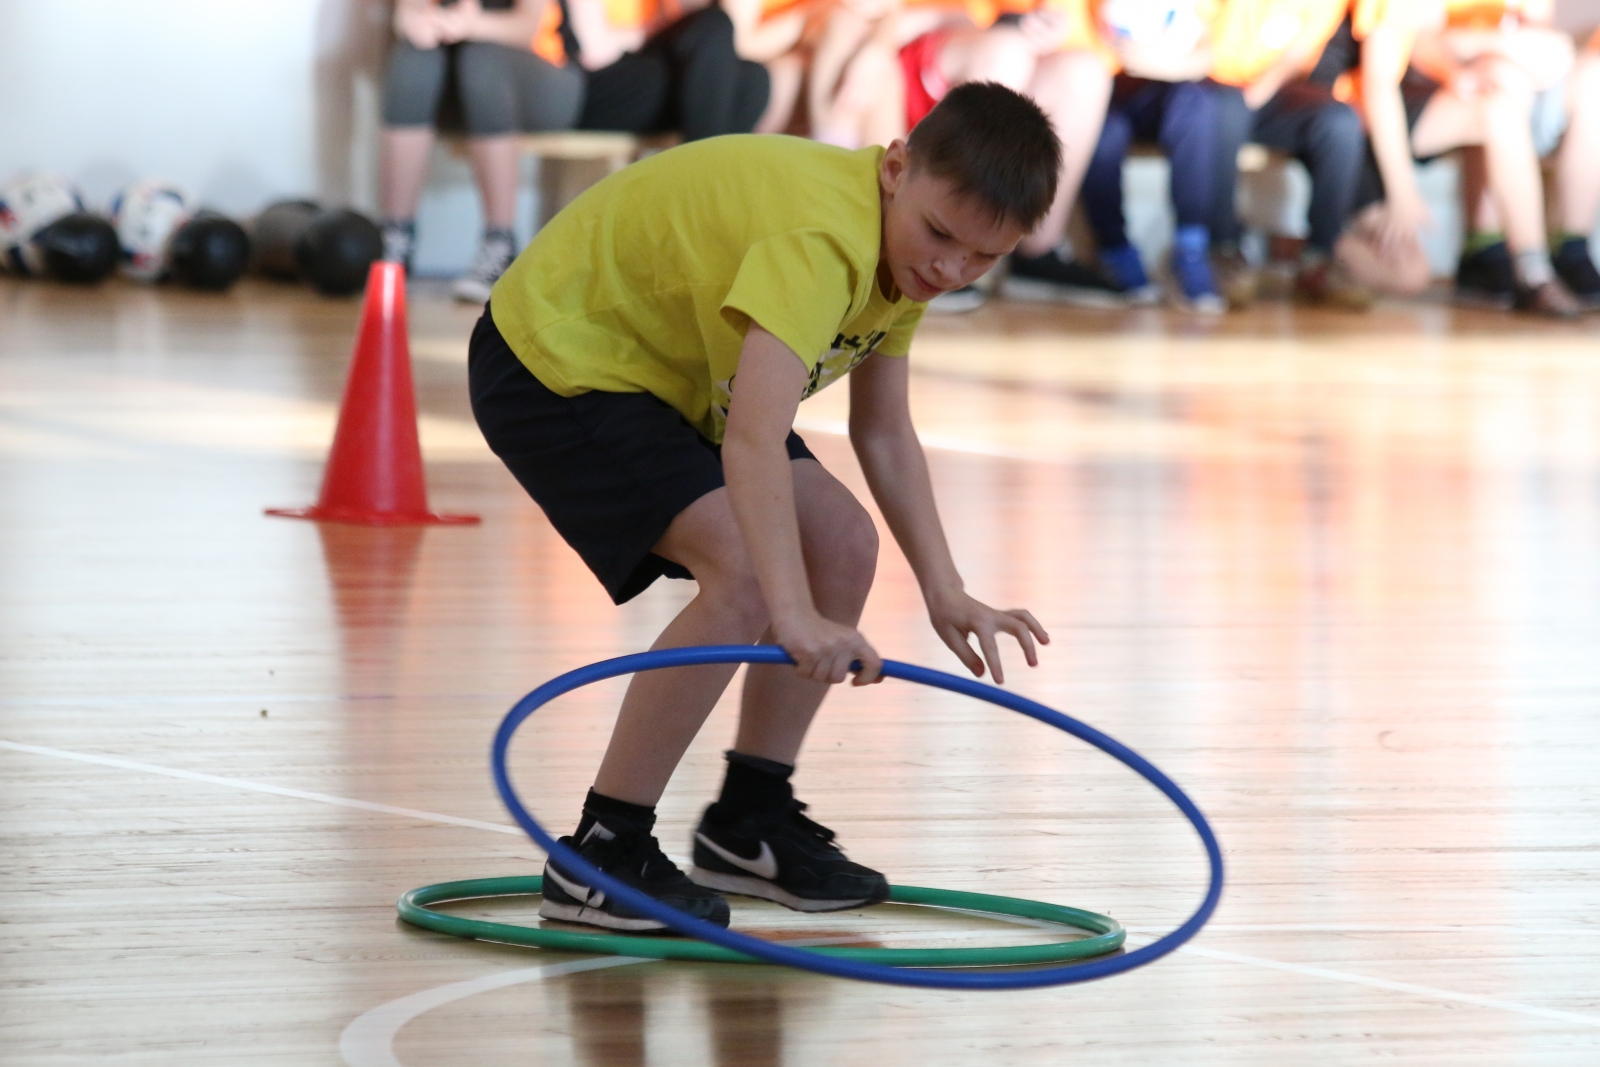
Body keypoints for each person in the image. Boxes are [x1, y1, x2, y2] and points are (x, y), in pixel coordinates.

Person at [468, 83, 1056, 931]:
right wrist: (789, 614)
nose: (951, 270)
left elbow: (885, 432)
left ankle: (749, 819)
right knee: (742, 575)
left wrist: (946, 587)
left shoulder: (909, 254)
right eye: (941, 237)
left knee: (844, 545)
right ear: (896, 168)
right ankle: (602, 848)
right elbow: (753, 440)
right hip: (558, 358)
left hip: (671, 375)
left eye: (982, 259)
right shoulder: (823, 238)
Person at [1328, 0, 1582, 316]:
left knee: (1500, 108)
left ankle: (1533, 272)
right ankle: (1310, 250)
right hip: (1350, 124)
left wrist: (1455, 71)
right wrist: (1403, 193)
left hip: (1407, 105)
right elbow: (1377, 84)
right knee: (1409, 275)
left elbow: (1426, 39)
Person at [379, 0, 586, 303]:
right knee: (413, 58)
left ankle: (500, 243)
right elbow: (406, 14)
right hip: (454, 80)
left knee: (482, 59)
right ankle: (395, 242)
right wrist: (418, 24)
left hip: (541, 78)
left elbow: (527, 27)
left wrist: (472, 25)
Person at [1207, 0, 1377, 309]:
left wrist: (1255, 95)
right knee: (1225, 107)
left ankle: (1320, 257)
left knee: (1339, 121)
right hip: (1209, 86)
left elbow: (1297, 55)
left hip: (1269, 90)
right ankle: (1222, 250)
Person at [1434, 6, 1599, 310]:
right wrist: (1499, 46)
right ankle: (1487, 248)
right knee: (1502, 81)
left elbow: (1543, 34)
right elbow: (1426, 40)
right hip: (1462, 78)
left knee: (1594, 79)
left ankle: (1572, 250)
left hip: (1529, 73)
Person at [1073, 0, 1227, 312]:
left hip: (1165, 88)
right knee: (1102, 131)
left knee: (1198, 106)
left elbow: (1206, 53)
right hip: (1104, 84)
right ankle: (1114, 250)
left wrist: (1166, 64)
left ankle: (1191, 248)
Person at [562, 0, 772, 142]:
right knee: (715, 24)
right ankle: (705, 182)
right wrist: (644, 33)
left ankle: (711, 184)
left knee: (752, 77)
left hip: (643, 75)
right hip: (591, 91)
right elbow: (595, 52)